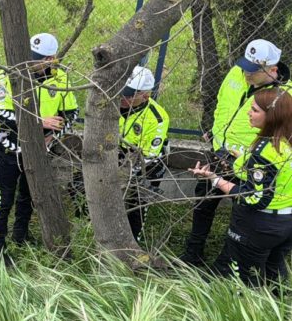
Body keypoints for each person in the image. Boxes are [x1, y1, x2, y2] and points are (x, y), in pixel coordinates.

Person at [181, 39, 291, 266]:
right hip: (219, 152)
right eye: (244, 66)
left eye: (252, 71)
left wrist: (247, 155)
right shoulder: (237, 73)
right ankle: (193, 254)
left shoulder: (285, 94)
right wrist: (214, 134)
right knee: (203, 202)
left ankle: (228, 261)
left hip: (251, 162)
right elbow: (222, 104)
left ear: (272, 69)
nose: (245, 73)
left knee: (243, 211)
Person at [0, 33, 78, 258]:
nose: (29, 62)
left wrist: (53, 137)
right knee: (4, 198)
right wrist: (39, 123)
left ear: (50, 60)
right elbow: (1, 115)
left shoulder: (61, 79)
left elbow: (71, 113)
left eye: (36, 58)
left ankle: (21, 235)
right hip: (10, 147)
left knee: (29, 195)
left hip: (41, 150)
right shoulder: (7, 75)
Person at [189, 88, 292, 286]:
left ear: (271, 116)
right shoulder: (286, 142)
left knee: (241, 278)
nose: (248, 113)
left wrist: (215, 179)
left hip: (260, 225)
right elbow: (276, 176)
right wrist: (243, 161)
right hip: (285, 222)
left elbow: (253, 197)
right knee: (273, 275)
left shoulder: (265, 150)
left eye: (254, 110)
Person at [117, 66, 170, 242]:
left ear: (145, 96)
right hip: (119, 153)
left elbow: (149, 156)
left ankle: (133, 241)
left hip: (147, 162)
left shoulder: (157, 118)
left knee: (138, 201)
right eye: (123, 92)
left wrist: (123, 175)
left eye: (130, 95)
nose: (123, 98)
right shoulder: (111, 104)